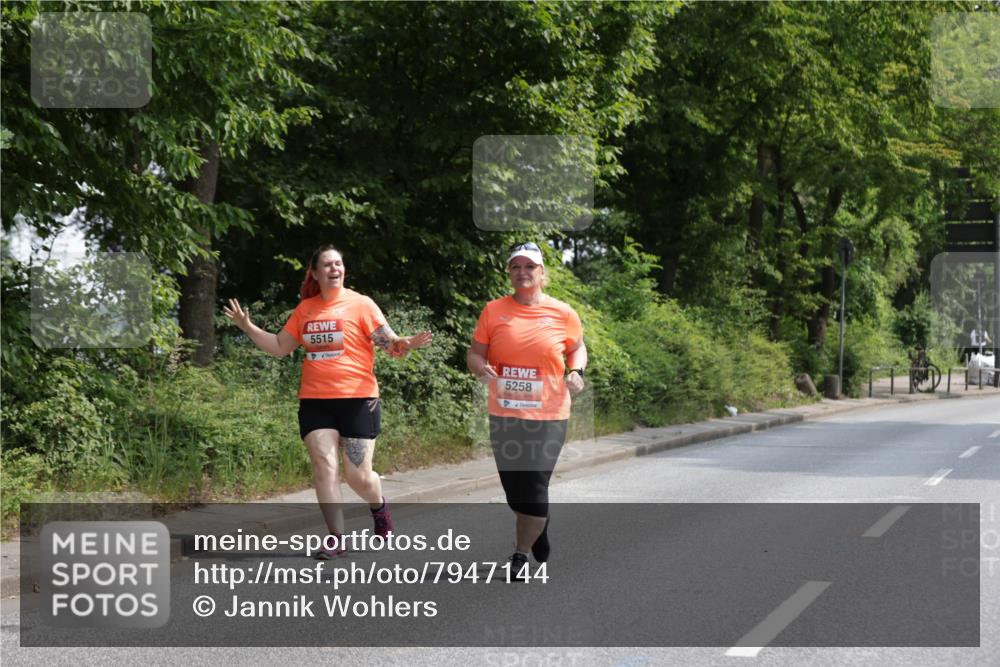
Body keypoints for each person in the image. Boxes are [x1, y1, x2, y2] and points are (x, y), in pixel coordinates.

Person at [223, 245, 432, 559]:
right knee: (324, 466)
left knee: (358, 476)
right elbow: (280, 346)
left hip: (358, 400)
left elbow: (390, 344)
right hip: (316, 402)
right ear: (315, 273)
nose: (335, 268)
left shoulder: (361, 304)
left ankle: (378, 506)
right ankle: (336, 538)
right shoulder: (306, 309)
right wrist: (248, 327)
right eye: (327, 265)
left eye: (339, 263)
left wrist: (405, 342)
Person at [466, 241, 586, 577]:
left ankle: (520, 555)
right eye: (516, 267)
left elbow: (577, 349)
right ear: (509, 272)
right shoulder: (493, 310)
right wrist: (480, 368)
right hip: (504, 413)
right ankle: (539, 527)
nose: (523, 272)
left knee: (534, 484)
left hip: (549, 415)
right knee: (515, 492)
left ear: (542, 272)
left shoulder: (563, 312)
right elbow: (475, 353)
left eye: (530, 266)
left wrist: (576, 371)